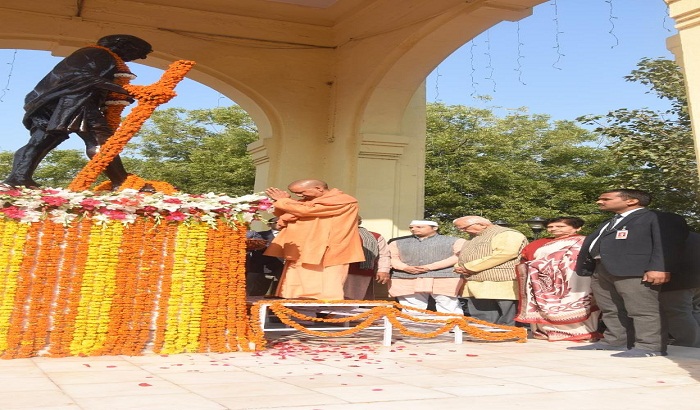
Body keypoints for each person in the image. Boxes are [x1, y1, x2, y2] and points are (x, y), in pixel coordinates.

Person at [3, 34, 153, 188]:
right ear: (122, 44)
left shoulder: (99, 55)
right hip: (76, 101)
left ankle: (17, 179)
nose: (142, 57)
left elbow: (94, 82)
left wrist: (119, 96)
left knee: (41, 142)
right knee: (100, 140)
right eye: (140, 51)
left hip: (60, 101)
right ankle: (121, 182)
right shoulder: (99, 53)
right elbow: (81, 77)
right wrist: (132, 90)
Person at [569, 189, 689, 357]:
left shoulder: (658, 218)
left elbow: (667, 244)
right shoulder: (610, 222)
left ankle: (650, 346)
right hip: (603, 269)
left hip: (635, 270)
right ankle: (615, 341)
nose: (599, 201)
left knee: (642, 309)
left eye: (606, 198)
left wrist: (660, 266)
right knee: (610, 308)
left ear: (631, 201)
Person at [263, 179, 365, 300]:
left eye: (301, 192)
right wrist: (284, 202)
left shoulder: (344, 200)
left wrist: (284, 201)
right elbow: (293, 211)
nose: (299, 196)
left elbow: (306, 210)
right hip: (303, 248)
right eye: (296, 193)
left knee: (326, 286)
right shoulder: (309, 201)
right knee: (297, 285)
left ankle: (329, 314)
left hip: (328, 249)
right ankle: (300, 311)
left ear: (319, 189)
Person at [516, 216, 601, 341]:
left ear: (577, 228)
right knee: (546, 305)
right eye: (550, 227)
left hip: (576, 281)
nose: (554, 229)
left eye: (560, 226)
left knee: (576, 303)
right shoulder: (543, 242)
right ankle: (548, 331)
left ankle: (579, 332)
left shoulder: (584, 241)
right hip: (544, 283)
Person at [453, 216, 528, 326]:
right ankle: (484, 334)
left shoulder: (508, 234)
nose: (462, 231)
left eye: (464, 227)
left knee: (506, 314)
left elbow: (505, 253)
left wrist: (469, 267)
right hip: (476, 283)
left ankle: (507, 336)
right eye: (459, 229)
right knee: (482, 315)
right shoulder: (472, 238)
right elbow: (463, 256)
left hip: (502, 282)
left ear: (482, 224)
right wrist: (458, 267)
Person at [388, 220, 466, 314]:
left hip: (443, 276)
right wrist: (405, 268)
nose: (414, 229)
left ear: (435, 228)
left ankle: (454, 327)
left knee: (447, 304)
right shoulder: (396, 242)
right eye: (411, 227)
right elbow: (392, 258)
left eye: (419, 227)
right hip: (407, 277)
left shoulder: (456, 241)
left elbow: (458, 257)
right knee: (411, 306)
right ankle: (412, 328)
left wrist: (429, 267)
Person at [659, 231, 700, 347]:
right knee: (694, 311)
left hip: (677, 281)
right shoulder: (693, 236)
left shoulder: (667, 236)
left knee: (677, 312)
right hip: (695, 280)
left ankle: (689, 344)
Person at [344, 217, 391, 300]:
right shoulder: (332, 234)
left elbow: (384, 255)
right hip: (333, 272)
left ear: (358, 221)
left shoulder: (374, 236)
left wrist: (383, 270)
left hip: (359, 273)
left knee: (353, 301)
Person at [245, 217, 284, 296]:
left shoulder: (291, 235)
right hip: (262, 270)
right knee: (256, 294)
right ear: (269, 224)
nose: (281, 224)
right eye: (277, 222)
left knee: (276, 294)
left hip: (281, 269)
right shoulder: (259, 234)